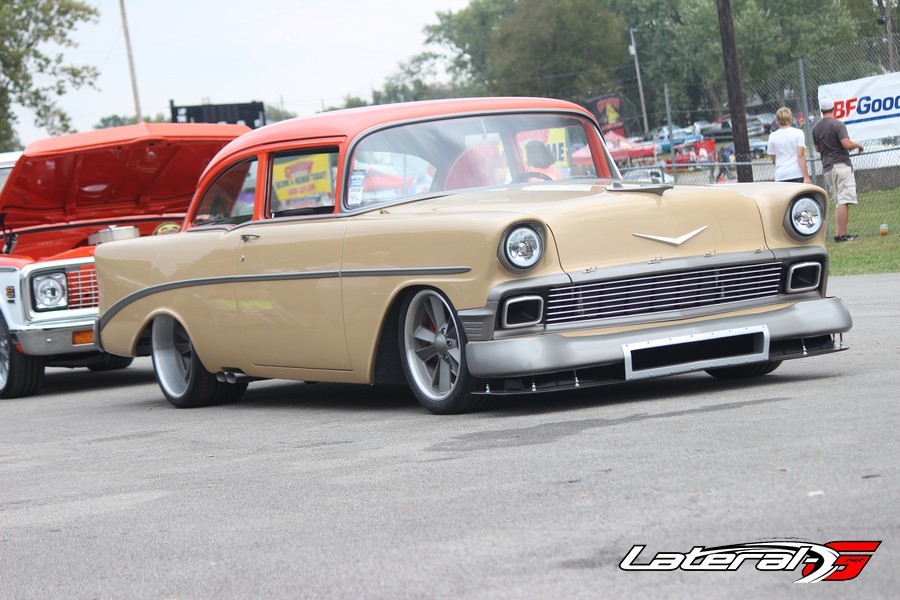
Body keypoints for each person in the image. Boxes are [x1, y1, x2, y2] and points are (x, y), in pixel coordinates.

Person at [812, 97, 864, 242]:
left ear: (821, 110)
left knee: (838, 201)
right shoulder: (838, 124)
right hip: (841, 164)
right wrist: (857, 145)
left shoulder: (816, 127)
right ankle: (842, 235)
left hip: (828, 168)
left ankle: (838, 234)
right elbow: (846, 144)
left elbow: (817, 148)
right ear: (833, 108)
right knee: (844, 200)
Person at [766, 107, 811, 183]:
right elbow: (800, 155)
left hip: (781, 174)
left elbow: (774, 159)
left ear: (777, 121)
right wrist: (806, 177)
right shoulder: (798, 133)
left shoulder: (772, 136)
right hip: (796, 173)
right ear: (791, 119)